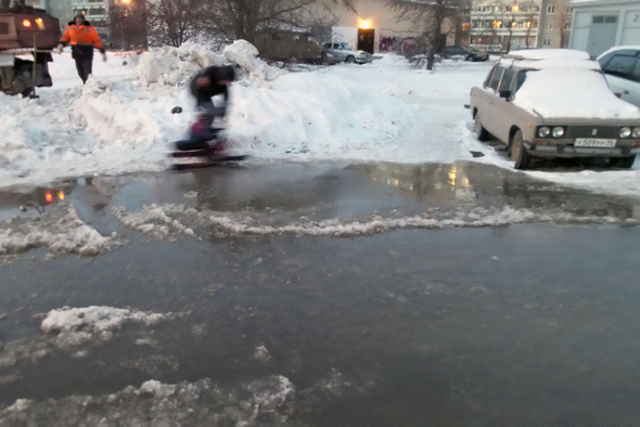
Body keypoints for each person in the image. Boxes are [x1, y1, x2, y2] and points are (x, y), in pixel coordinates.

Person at [178, 65, 235, 151]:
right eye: (226, 80)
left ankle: (205, 134)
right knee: (207, 111)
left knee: (212, 113)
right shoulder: (210, 74)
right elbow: (199, 90)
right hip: (197, 89)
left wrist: (223, 114)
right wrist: (200, 109)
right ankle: (195, 136)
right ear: (223, 76)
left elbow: (226, 100)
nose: (227, 83)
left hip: (207, 94)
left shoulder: (223, 86)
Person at [55, 14, 106, 84]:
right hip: (76, 52)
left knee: (87, 71)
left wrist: (102, 50)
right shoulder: (70, 28)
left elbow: (96, 40)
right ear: (75, 19)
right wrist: (61, 45)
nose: (78, 20)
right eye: (77, 18)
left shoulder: (89, 28)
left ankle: (89, 85)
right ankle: (86, 84)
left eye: (80, 18)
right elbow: (66, 37)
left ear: (83, 19)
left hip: (87, 51)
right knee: (80, 72)